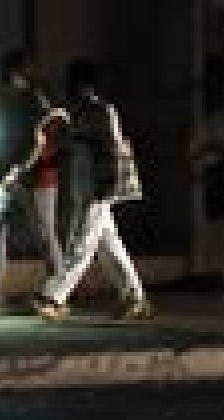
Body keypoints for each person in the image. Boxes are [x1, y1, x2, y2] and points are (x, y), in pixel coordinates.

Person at [32, 58, 151, 321]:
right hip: (84, 187)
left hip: (96, 187)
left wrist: (106, 185)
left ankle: (54, 296)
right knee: (109, 245)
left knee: (81, 245)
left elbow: (112, 148)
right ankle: (134, 297)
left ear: (83, 85)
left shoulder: (102, 111)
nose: (70, 89)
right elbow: (66, 142)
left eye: (73, 84)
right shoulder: (78, 111)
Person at [0, 49, 67, 313]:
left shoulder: (37, 100)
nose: (6, 78)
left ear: (19, 73)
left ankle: (58, 293)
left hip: (37, 179)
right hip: (13, 176)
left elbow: (39, 141)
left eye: (9, 73)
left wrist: (18, 170)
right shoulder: (18, 100)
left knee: (44, 236)